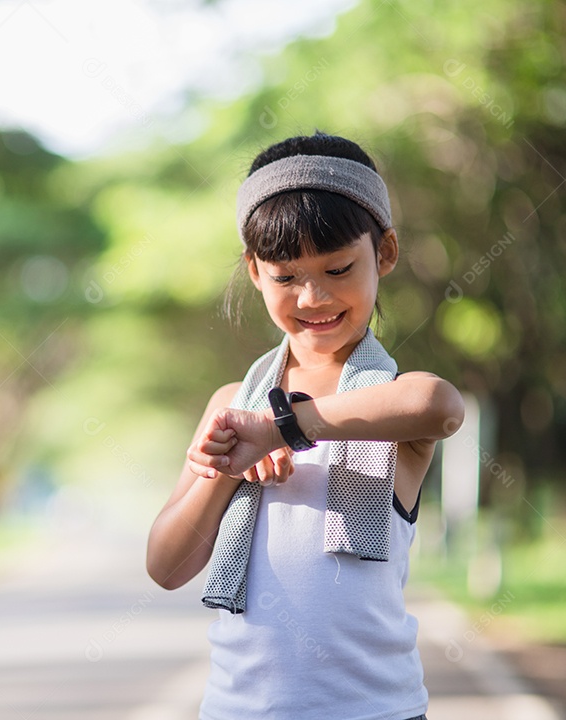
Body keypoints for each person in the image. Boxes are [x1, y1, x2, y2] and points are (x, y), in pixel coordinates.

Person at [145, 132, 465, 720]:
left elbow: (440, 405)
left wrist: (281, 428)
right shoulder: (230, 404)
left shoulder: (388, 402)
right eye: (286, 276)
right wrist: (231, 465)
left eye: (338, 268)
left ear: (385, 253)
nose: (313, 296)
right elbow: (167, 567)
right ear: (255, 271)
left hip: (377, 710)